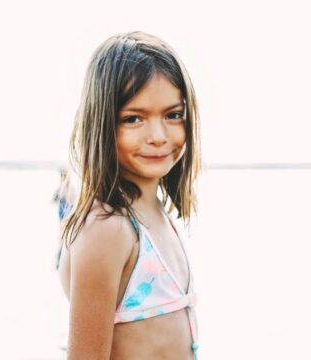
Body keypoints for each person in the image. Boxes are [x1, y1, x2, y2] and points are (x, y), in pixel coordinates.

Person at [57, 31, 202, 359]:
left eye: (173, 115)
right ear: (102, 124)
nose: (157, 136)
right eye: (133, 119)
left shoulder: (156, 215)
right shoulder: (107, 229)